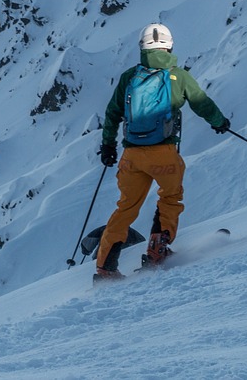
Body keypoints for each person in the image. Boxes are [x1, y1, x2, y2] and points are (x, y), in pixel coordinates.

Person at [94, 22, 230, 282]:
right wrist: (219, 122)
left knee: (126, 208)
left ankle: (105, 268)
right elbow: (201, 102)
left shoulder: (129, 77)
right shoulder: (177, 76)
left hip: (132, 156)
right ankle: (158, 251)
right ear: (169, 46)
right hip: (164, 154)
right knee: (170, 198)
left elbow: (112, 113)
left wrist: (108, 145)